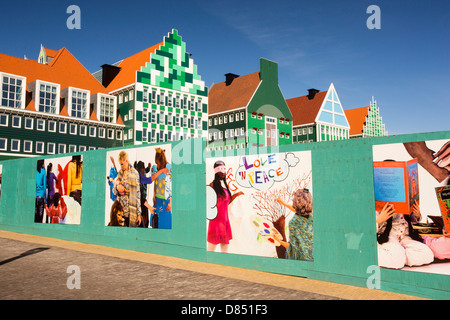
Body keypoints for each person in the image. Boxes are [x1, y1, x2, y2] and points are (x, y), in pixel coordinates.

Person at [376, 201, 434, 269]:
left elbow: (411, 219)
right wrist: (379, 220)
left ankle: (398, 255)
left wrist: (417, 215)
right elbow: (369, 227)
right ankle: (394, 256)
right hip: (387, 233)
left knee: (428, 255)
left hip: (404, 233)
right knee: (397, 262)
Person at [207, 161, 243, 253]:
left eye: (224, 169)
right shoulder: (212, 185)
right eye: (220, 169)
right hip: (216, 221)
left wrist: (236, 195)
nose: (223, 172)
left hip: (224, 220)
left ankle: (223, 263)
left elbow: (226, 202)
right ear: (216, 171)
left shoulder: (224, 185)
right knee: (211, 249)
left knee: (225, 247)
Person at [275, 188, 314, 261]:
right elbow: (298, 210)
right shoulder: (312, 216)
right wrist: (283, 203)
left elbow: (292, 247)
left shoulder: (293, 223)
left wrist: (278, 240)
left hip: (300, 260)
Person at [135, 160, 169, 228]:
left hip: (143, 201)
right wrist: (161, 171)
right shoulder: (138, 176)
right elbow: (149, 180)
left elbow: (146, 172)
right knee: (143, 222)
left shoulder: (139, 173)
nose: (144, 171)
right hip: (140, 203)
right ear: (142, 169)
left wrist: (148, 167)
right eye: (144, 170)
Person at [113, 150, 142, 227]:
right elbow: (114, 192)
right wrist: (117, 187)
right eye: (120, 164)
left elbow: (138, 194)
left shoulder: (135, 174)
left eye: (122, 164)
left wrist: (139, 214)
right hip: (120, 212)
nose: (121, 166)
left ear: (127, 161)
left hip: (131, 212)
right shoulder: (119, 173)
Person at [150, 148, 172, 229]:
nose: (157, 164)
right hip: (157, 200)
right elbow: (155, 183)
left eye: (157, 162)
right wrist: (153, 195)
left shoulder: (169, 168)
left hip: (166, 201)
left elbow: (171, 186)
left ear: (161, 160)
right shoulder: (155, 168)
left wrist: (170, 202)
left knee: (165, 224)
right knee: (155, 222)